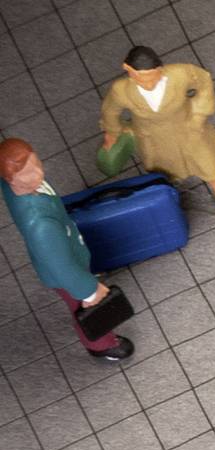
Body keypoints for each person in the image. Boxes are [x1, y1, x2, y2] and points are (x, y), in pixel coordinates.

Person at [1, 139, 132, 363]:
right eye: (28, 172)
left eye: (36, 164)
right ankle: (102, 345)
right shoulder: (40, 225)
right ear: (11, 180)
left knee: (79, 296)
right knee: (84, 308)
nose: (38, 172)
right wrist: (89, 291)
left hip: (66, 248)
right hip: (64, 270)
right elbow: (62, 267)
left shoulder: (22, 188)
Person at [98, 42, 215, 219]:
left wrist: (198, 115)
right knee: (163, 170)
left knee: (206, 161)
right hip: (152, 137)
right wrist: (112, 133)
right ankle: (168, 195)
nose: (148, 84)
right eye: (141, 79)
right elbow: (110, 111)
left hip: (186, 127)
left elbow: (204, 81)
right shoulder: (122, 90)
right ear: (127, 69)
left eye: (152, 78)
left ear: (160, 69)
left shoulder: (180, 75)